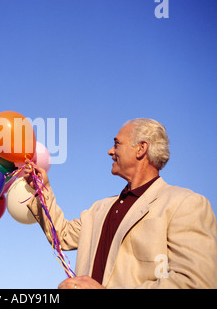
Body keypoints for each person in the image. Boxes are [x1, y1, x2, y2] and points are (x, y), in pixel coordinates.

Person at [24, 118, 217, 289]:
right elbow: (62, 236)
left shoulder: (185, 203)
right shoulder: (99, 209)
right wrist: (43, 189)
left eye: (117, 144)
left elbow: (196, 282)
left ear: (141, 148)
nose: (110, 151)